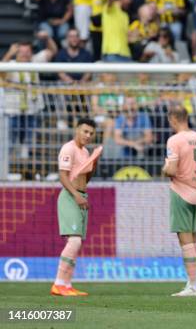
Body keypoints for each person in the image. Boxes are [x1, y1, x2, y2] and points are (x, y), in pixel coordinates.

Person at [51, 118, 100, 296]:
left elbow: (85, 179)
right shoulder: (68, 148)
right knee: (75, 241)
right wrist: (76, 195)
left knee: (75, 243)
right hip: (70, 197)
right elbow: (63, 177)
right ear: (77, 130)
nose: (88, 136)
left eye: (91, 133)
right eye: (85, 131)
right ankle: (58, 283)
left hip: (80, 196)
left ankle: (66, 284)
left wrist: (94, 163)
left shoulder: (85, 152)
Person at [162, 105, 196, 297]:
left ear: (173, 118)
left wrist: (164, 169)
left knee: (185, 240)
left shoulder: (175, 140)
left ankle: (193, 286)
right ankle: (192, 282)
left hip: (181, 191)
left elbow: (171, 170)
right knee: (193, 239)